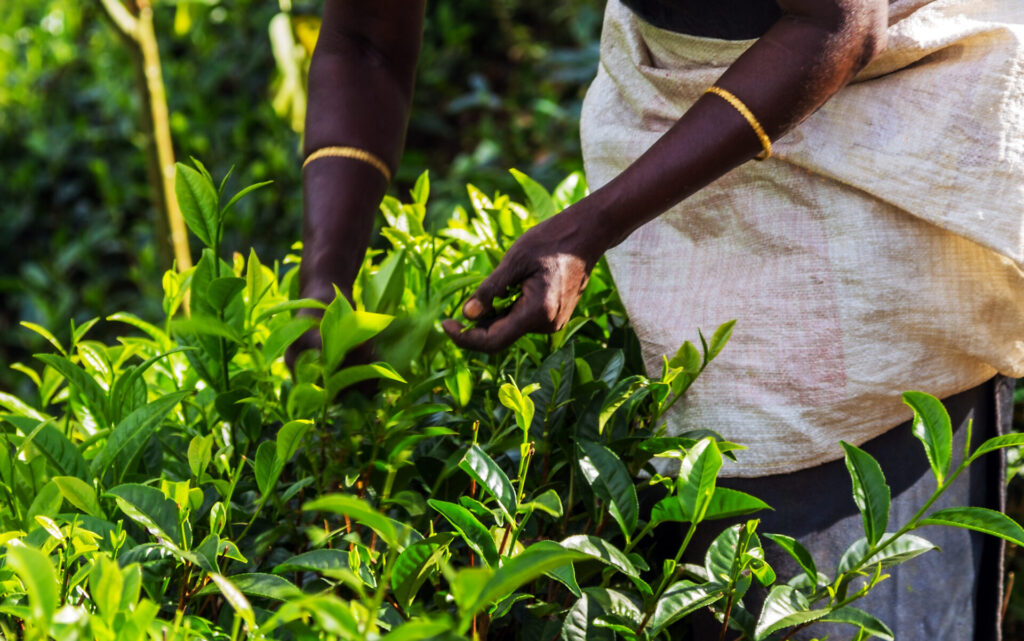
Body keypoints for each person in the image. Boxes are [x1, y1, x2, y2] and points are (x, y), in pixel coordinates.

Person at [296, 1, 1024, 638]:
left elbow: (837, 21)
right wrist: (323, 285)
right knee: (726, 560)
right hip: (682, 115)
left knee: (859, 570)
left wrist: (588, 230)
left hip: (878, 132)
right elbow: (364, 38)